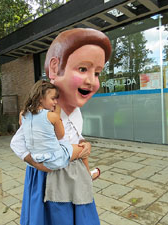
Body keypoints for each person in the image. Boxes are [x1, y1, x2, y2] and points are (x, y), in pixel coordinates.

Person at [10, 28, 111, 225]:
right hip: (49, 184)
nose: (92, 81)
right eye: (83, 69)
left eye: (97, 73)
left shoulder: (75, 110)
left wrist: (83, 147)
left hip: (75, 177)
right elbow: (18, 144)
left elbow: (74, 136)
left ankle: (88, 176)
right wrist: (38, 164)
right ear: (55, 69)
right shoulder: (38, 115)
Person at [20, 79, 98, 177]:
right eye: (53, 99)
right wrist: (57, 113)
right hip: (54, 159)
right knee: (82, 148)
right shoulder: (52, 116)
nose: (56, 102)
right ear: (41, 98)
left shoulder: (24, 114)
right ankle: (88, 175)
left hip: (35, 157)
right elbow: (61, 135)